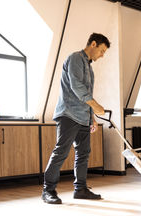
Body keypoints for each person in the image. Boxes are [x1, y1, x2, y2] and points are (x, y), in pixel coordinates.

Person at [42, 33, 110, 204]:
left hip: (83, 117)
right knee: (61, 152)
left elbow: (87, 95)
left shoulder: (90, 68)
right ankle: (48, 190)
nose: (102, 55)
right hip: (68, 114)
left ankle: (80, 189)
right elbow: (76, 86)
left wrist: (92, 117)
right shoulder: (75, 59)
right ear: (93, 44)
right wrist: (96, 106)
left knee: (83, 153)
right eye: (101, 51)